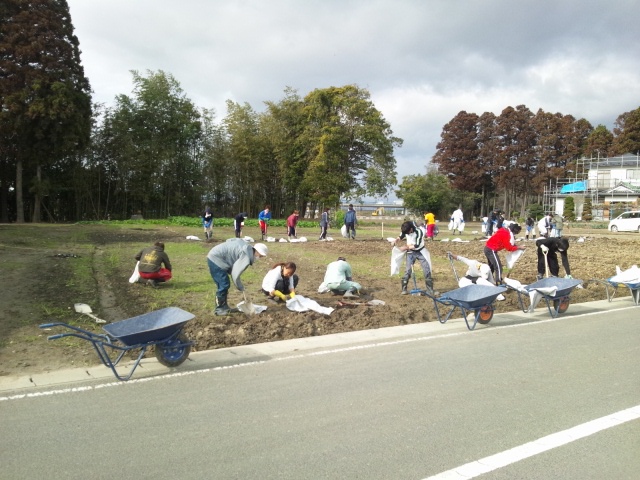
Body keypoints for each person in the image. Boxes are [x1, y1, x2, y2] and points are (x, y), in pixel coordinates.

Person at [206, 238, 268, 315]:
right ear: (257, 252)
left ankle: (224, 307)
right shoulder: (246, 257)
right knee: (224, 284)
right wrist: (241, 287)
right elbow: (235, 274)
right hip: (216, 259)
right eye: (260, 256)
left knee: (224, 284)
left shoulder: (245, 246)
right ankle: (220, 309)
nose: (259, 258)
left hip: (216, 253)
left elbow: (231, 240)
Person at [395, 220, 435, 295]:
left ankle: (430, 290)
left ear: (411, 229)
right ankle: (404, 289)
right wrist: (397, 239)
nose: (407, 234)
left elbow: (417, 245)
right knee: (408, 270)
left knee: (426, 269)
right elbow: (402, 235)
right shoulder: (406, 230)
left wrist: (405, 247)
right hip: (410, 252)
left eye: (408, 232)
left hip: (421, 252)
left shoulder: (419, 232)